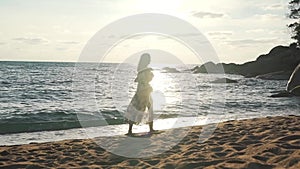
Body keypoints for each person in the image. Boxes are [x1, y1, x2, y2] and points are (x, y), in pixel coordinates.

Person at [125, 53, 156, 135]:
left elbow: (140, 79)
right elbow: (147, 79)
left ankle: (130, 130)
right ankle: (151, 129)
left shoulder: (140, 69)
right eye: (149, 59)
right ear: (145, 60)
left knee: (136, 109)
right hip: (145, 91)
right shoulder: (145, 69)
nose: (150, 60)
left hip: (141, 90)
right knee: (148, 109)